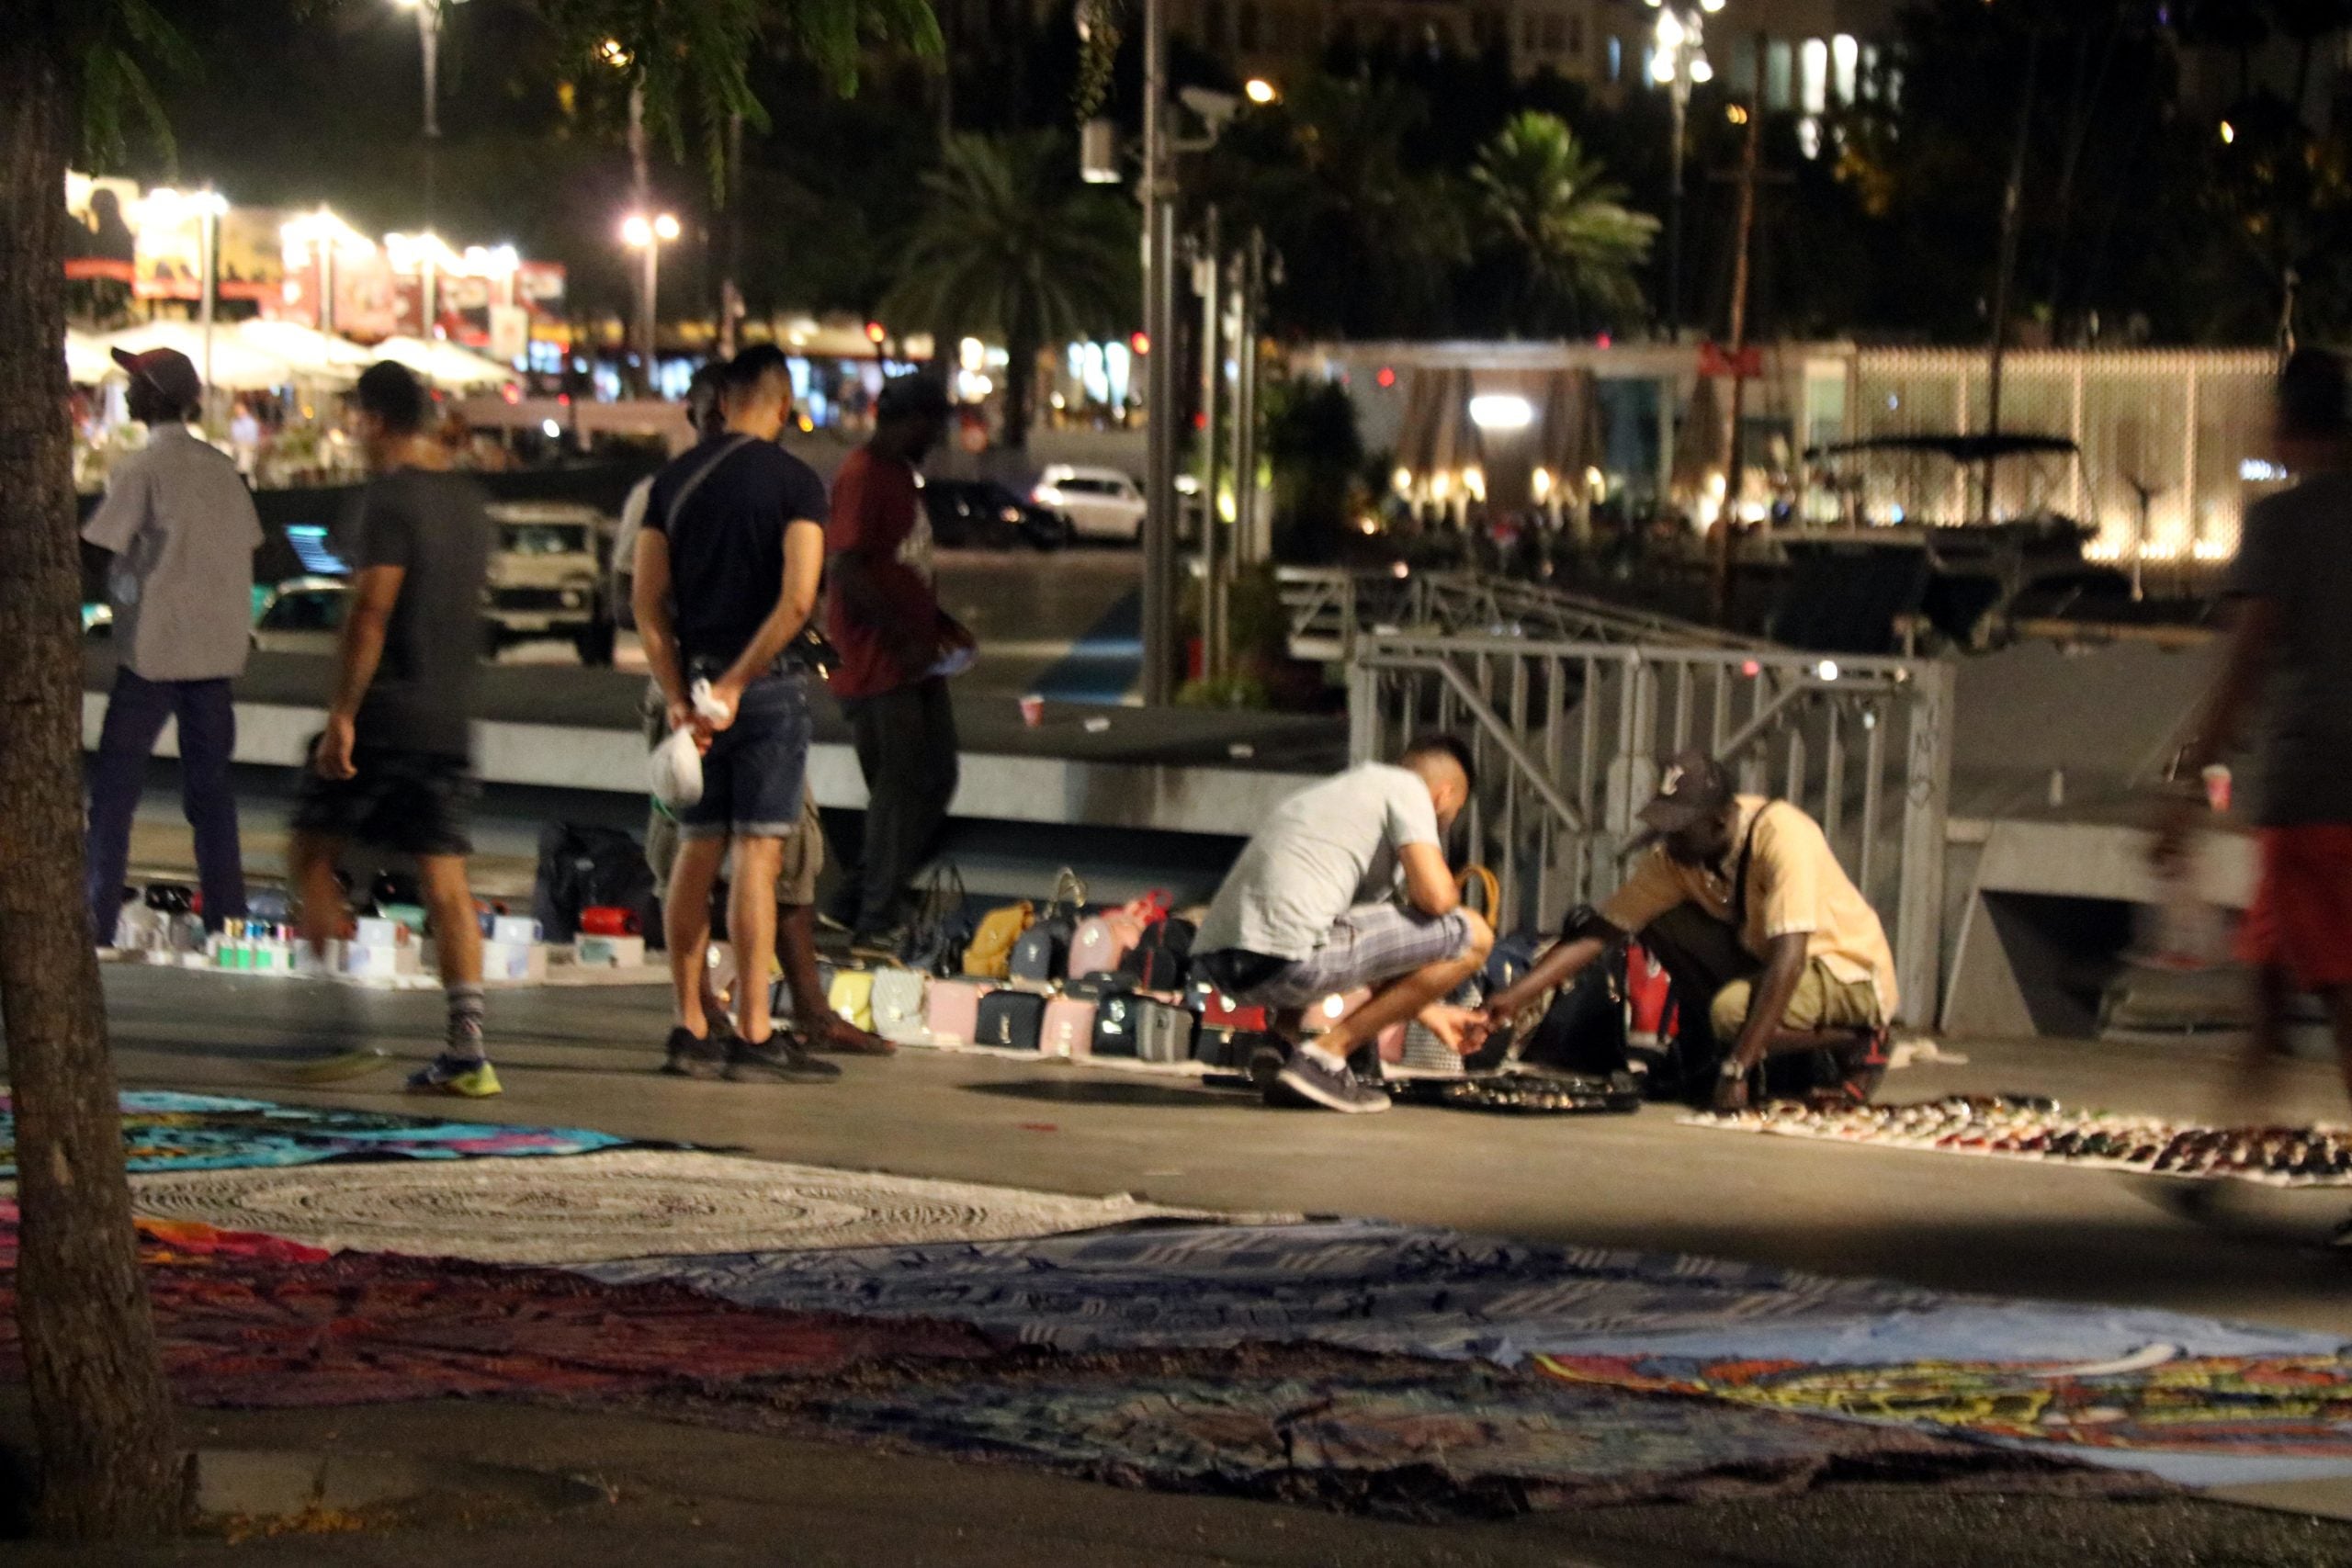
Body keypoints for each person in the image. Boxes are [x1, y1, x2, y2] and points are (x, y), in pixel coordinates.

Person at [628, 364, 889, 1059]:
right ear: (779, 404)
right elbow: (800, 600)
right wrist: (741, 682)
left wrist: (683, 697)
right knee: (757, 856)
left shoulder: (671, 482)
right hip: (765, 689)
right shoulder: (794, 483)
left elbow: (646, 604)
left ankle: (688, 1023)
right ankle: (752, 1027)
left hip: (694, 685)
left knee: (694, 848)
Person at [2159, 349, 2352, 1157]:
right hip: (2320, 792)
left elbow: (2246, 665)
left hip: (2316, 787)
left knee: (2341, 999)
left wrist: (2187, 784)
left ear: (2288, 422)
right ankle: (2227, 1149)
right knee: (2271, 981)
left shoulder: (2284, 524)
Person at [288, 361, 500, 1096]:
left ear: (376, 420)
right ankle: (467, 1047)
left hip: (385, 716)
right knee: (446, 879)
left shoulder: (390, 500)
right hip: (448, 719)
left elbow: (371, 609)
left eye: (354, 418)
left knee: (311, 856)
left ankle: (332, 1028)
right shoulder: (469, 503)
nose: (351, 433)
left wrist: (341, 714)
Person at [1481, 751, 1895, 1112]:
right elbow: (1602, 931)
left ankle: (1856, 1040)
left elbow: (1789, 960)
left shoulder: (1783, 834)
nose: (1668, 839)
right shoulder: (1679, 857)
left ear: (1719, 822)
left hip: (1844, 970)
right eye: (1665, 823)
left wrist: (1738, 1068)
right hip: (1771, 964)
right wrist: (1516, 997)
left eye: (1680, 826)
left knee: (1730, 1012)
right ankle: (1716, 1048)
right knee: (1660, 921)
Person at [1193, 739, 1493, 1114]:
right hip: (1285, 960)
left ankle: (1282, 1046)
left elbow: (1369, 955)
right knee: (1474, 933)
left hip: (1222, 968)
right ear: (1444, 795)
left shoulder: (1340, 795)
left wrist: (1432, 1014)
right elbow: (1437, 899)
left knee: (1316, 928)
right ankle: (1324, 1058)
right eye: (1456, 810)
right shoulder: (1408, 788)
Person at [81, 347, 263, 948]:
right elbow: (247, 549)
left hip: (152, 654)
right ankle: (228, 928)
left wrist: (115, 592)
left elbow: (99, 546)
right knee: (213, 801)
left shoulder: (143, 469)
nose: (127, 391)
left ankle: (95, 923)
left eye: (134, 383)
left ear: (155, 397)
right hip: (215, 660)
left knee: (113, 797)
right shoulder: (222, 469)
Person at [822, 375, 964, 957]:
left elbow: (897, 568)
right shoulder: (863, 476)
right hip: (877, 662)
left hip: (911, 657)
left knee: (934, 774)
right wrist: (906, 634)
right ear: (910, 421)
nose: (936, 437)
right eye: (931, 425)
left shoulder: (900, 474)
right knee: (900, 785)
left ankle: (857, 898)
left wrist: (937, 625)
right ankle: (874, 916)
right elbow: (848, 570)